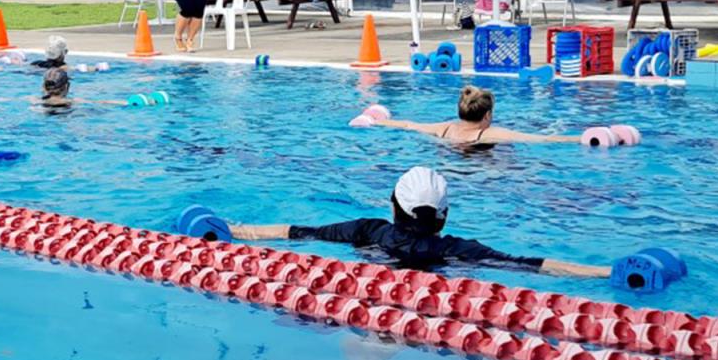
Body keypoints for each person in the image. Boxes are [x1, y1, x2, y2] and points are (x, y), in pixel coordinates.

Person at [230, 167, 608, 276]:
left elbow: (295, 232)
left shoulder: (368, 230)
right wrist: (607, 272)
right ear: (444, 215)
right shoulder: (457, 249)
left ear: (393, 205)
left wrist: (232, 232)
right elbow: (530, 265)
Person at [378, 85, 582, 147]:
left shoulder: (445, 128)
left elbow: (407, 125)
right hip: (482, 174)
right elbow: (543, 139)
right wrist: (582, 138)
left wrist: (377, 121)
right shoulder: (489, 133)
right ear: (487, 115)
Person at [35, 67, 123, 110]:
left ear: (43, 87)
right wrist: (128, 102)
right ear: (67, 86)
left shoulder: (34, 101)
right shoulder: (73, 101)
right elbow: (103, 102)